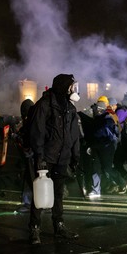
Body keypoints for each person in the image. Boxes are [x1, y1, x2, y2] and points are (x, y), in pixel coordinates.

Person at [28, 74, 81, 244]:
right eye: (71, 86)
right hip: (47, 157)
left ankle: (59, 226)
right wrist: (40, 156)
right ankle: (35, 228)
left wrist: (75, 155)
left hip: (62, 158)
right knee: (39, 194)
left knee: (58, 194)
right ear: (63, 86)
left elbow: (74, 135)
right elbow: (37, 132)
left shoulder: (70, 108)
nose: (73, 89)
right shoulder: (45, 105)